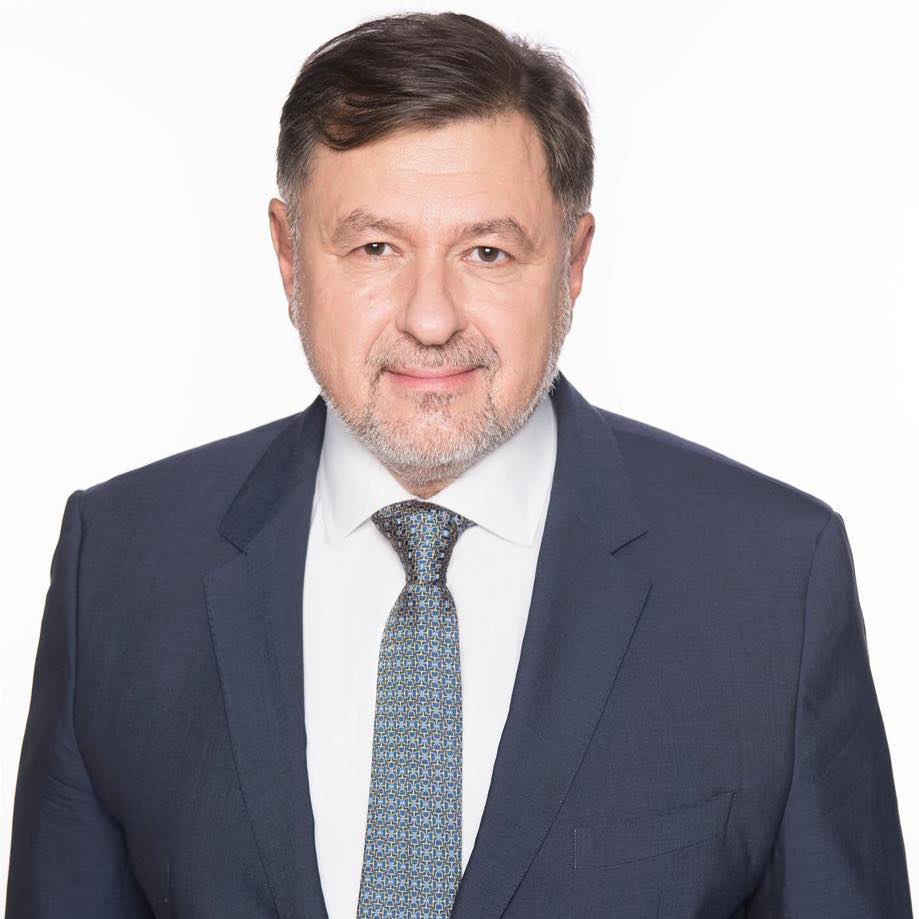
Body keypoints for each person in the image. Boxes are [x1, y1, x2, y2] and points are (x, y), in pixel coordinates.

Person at [5, 10, 913, 919]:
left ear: (572, 261)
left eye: (487, 251)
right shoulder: (118, 564)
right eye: (375, 247)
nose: (430, 318)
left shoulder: (771, 584)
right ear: (287, 255)